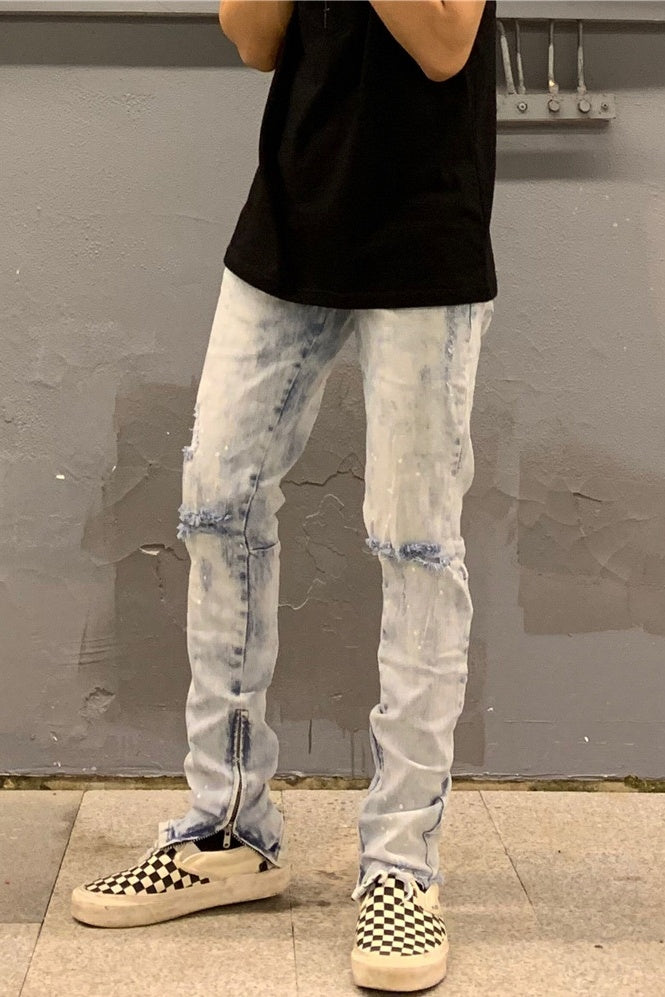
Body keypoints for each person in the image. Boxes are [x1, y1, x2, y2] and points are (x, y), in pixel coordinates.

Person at [71, 1, 497, 991]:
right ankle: (227, 829)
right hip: (289, 220)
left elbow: (444, 46)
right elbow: (255, 38)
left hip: (424, 231)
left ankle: (400, 867)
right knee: (215, 502)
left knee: (416, 545)